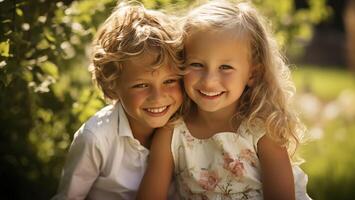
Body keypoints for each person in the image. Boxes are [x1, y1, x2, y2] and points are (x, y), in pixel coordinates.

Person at [137, 1, 311, 200]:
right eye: (196, 64)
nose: (209, 81)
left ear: (252, 73)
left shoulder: (261, 131)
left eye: (225, 67)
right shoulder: (172, 132)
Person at [52, 1, 183, 200]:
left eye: (170, 81)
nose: (158, 97)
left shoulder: (186, 128)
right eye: (141, 85)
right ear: (113, 85)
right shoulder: (96, 138)